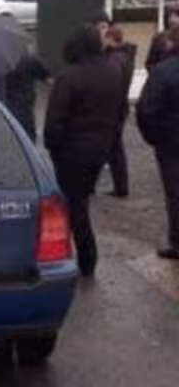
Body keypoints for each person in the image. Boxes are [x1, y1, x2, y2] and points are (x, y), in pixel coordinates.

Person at [44, 27, 128, 277]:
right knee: (80, 201)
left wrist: (53, 147)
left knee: (74, 205)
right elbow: (121, 109)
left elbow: (55, 120)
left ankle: (84, 258)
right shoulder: (114, 71)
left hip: (72, 151)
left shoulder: (70, 76)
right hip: (100, 148)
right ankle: (83, 257)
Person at [137, 26, 179, 261]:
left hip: (171, 144)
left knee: (175, 192)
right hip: (170, 140)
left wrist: (154, 137)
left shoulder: (163, 71)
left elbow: (146, 109)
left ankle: (177, 242)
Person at [104, 26, 137, 198]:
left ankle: (121, 186)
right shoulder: (125, 56)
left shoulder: (115, 59)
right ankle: (120, 186)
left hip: (113, 108)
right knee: (114, 147)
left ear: (111, 39)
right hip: (120, 106)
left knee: (114, 149)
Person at [5, 54, 50, 144]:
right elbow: (46, 77)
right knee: (27, 130)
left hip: (7, 100)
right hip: (25, 101)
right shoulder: (29, 60)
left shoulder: (1, 63)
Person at [146, 5, 179, 71]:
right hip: (163, 75)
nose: (172, 19)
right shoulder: (158, 39)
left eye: (177, 16)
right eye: (170, 16)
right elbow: (150, 63)